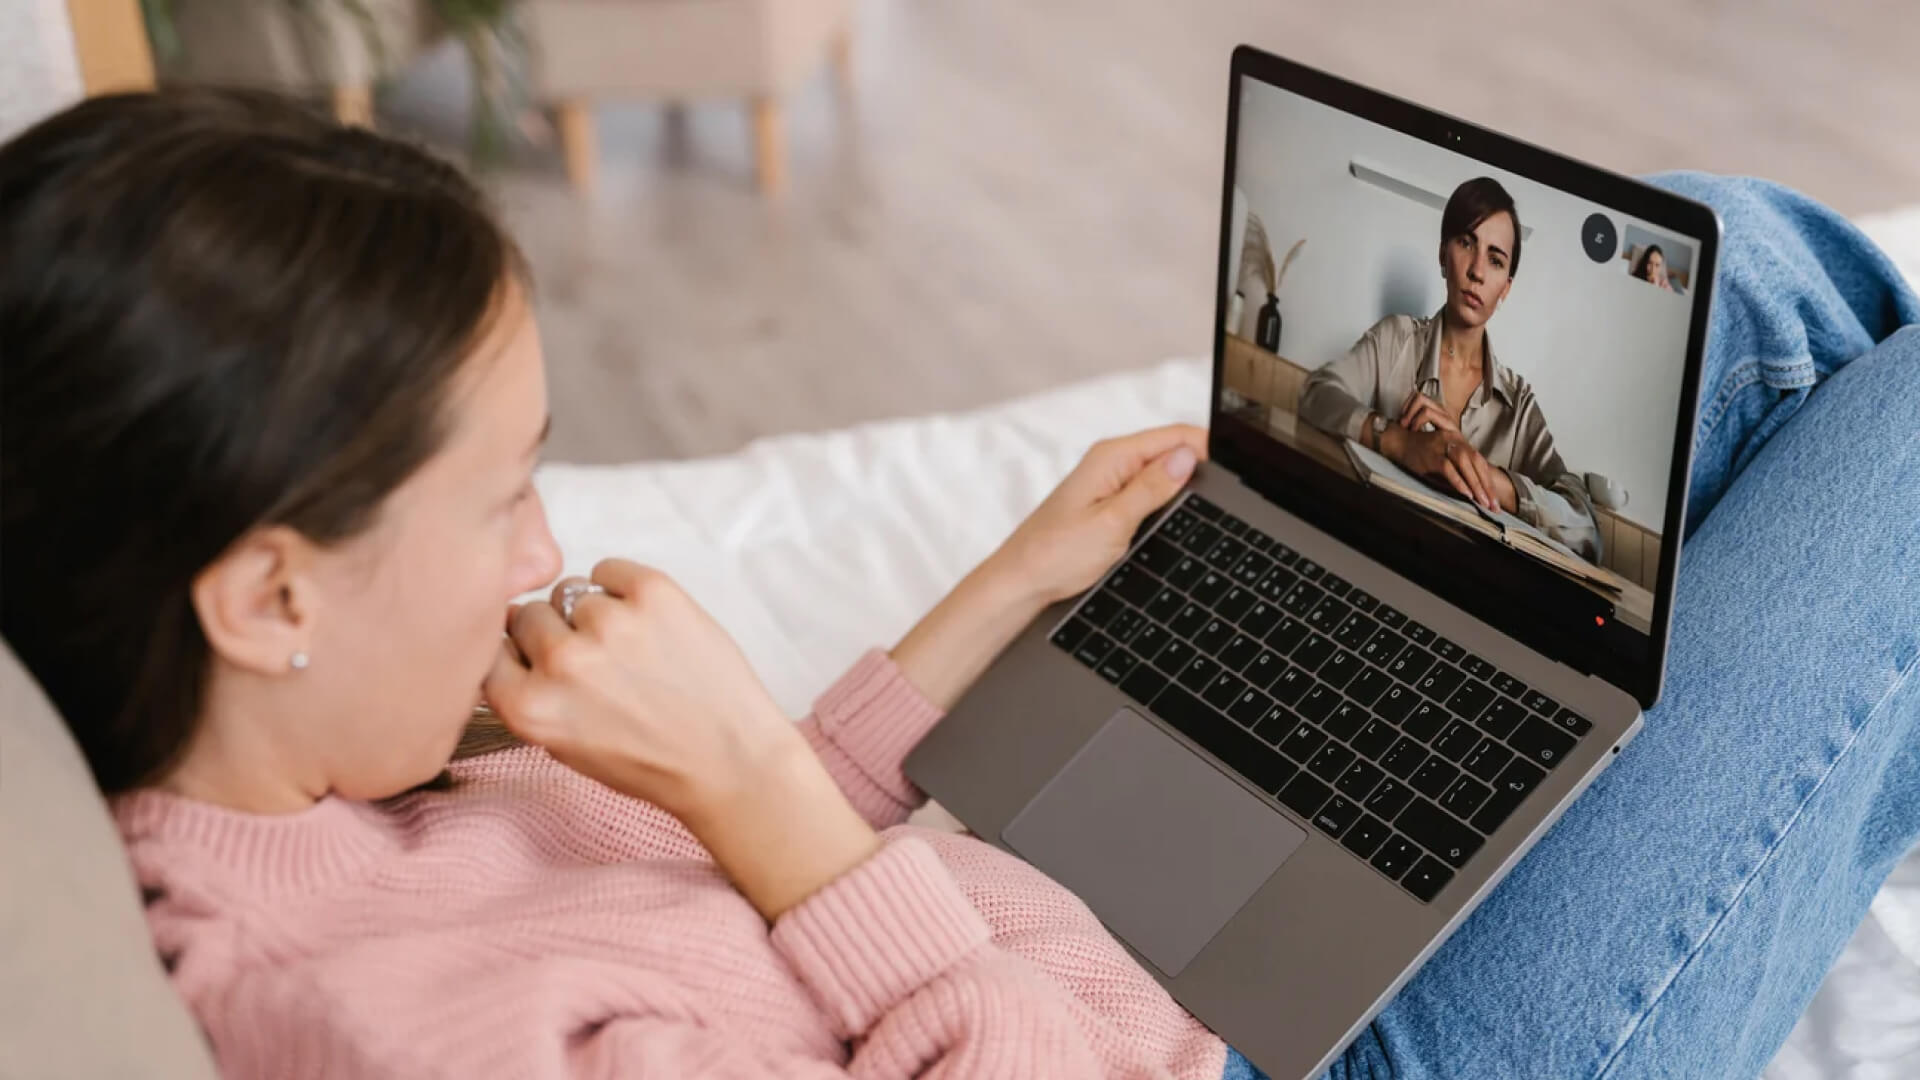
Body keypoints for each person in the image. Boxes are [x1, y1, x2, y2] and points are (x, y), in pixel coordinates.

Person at [2, 90, 1917, 1080]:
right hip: (1270, 1050)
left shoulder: (337, 777)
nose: (545, 550)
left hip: (1064, 895)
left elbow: (714, 898)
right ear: (264, 597)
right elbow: (770, 873)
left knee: (1729, 270)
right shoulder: (396, 1036)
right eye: (502, 493)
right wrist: (756, 788)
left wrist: (999, 597)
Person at [1298, 177, 1603, 561]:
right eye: (1466, 243)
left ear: (1505, 288)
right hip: (1368, 550)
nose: (1477, 271)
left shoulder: (1519, 403)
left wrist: (1489, 478)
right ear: (1443, 254)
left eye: (1495, 260)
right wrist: (1401, 443)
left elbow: (1588, 531)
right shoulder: (1395, 339)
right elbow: (1315, 393)